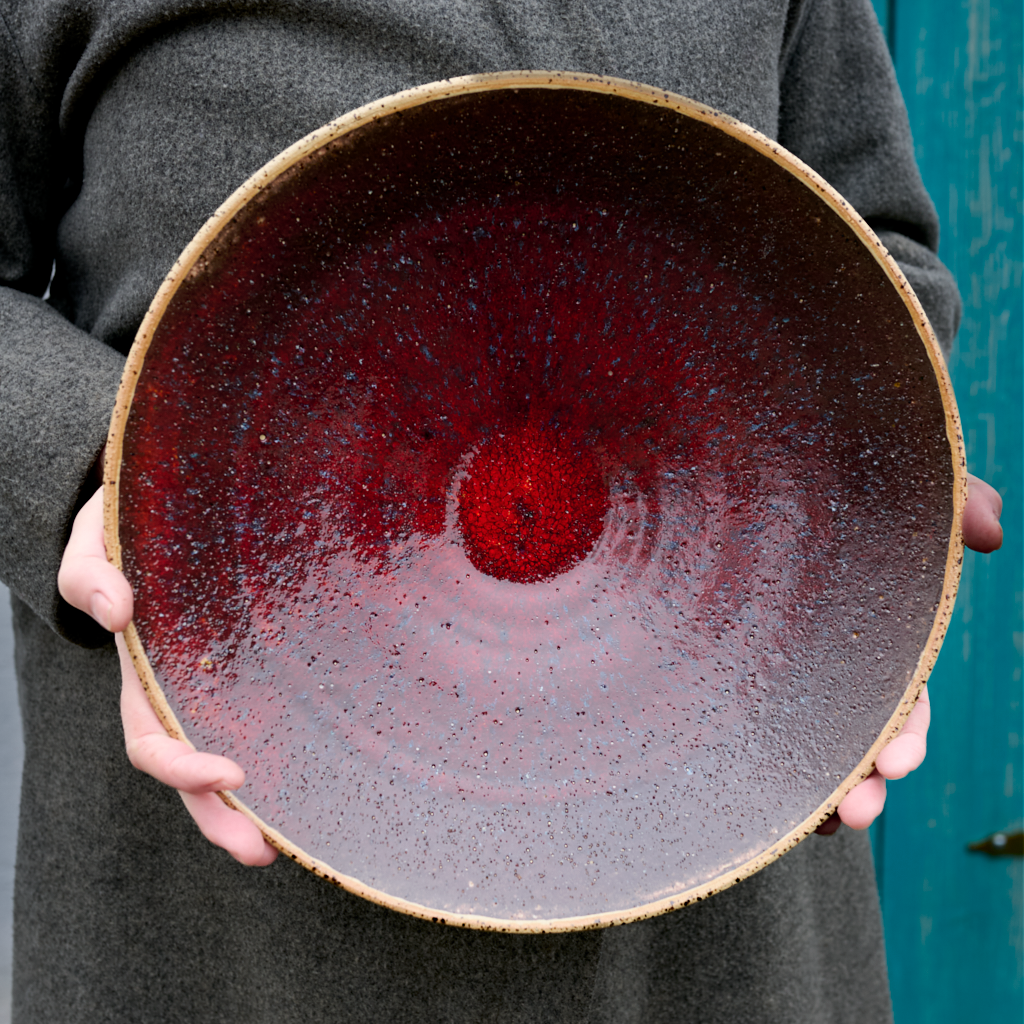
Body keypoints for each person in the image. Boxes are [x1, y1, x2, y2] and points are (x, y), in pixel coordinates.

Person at [0, 0, 1004, 1021]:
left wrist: (869, 459)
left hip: (713, 831)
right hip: (221, 818)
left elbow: (871, 244)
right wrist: (97, 484)